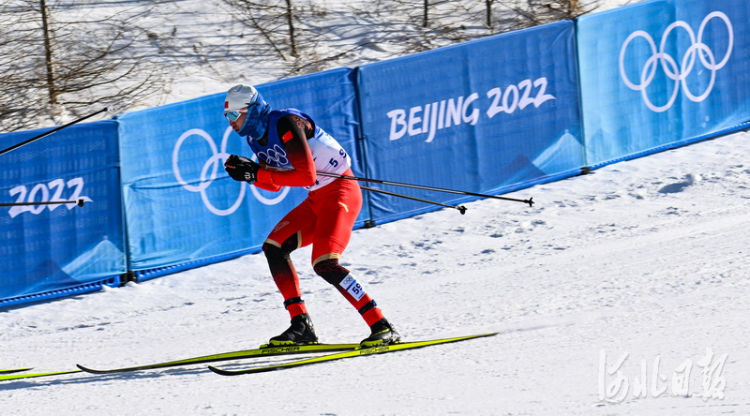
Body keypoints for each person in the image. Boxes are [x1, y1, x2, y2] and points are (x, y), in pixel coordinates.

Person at [221, 84, 400, 347]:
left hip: (341, 193)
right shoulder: (254, 138)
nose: (231, 123)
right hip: (317, 200)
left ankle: (382, 326)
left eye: (234, 115)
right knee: (274, 247)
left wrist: (257, 173)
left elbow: (306, 175)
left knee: (325, 263)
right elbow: (275, 184)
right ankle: (301, 325)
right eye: (227, 117)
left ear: (253, 110)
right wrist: (250, 175)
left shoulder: (285, 123)